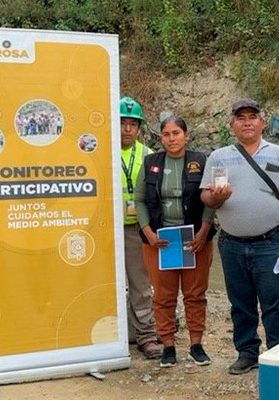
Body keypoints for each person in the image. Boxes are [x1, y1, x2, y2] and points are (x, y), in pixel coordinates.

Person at [200, 98, 279, 375]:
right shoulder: (218, 156)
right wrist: (216, 197)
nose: (247, 122)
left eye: (252, 117)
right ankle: (247, 353)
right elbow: (206, 197)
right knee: (240, 303)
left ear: (262, 121)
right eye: (241, 118)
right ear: (232, 124)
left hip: (270, 242)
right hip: (231, 243)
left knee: (274, 301)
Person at [135, 116, 217, 368]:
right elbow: (139, 200)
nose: (171, 138)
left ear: (186, 135)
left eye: (176, 133)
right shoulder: (150, 163)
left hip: (195, 239)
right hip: (160, 240)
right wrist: (148, 232)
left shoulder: (201, 161)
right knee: (163, 295)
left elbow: (210, 198)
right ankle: (168, 346)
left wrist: (204, 231)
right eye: (166, 134)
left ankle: (196, 344)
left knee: (195, 294)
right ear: (161, 138)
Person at [119, 96, 162, 359]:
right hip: (106, 229)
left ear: (139, 128)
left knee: (140, 284)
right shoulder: (99, 150)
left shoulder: (147, 155)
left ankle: (145, 335)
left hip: (137, 228)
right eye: (122, 123)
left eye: (132, 124)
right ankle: (112, 335)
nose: (127, 129)